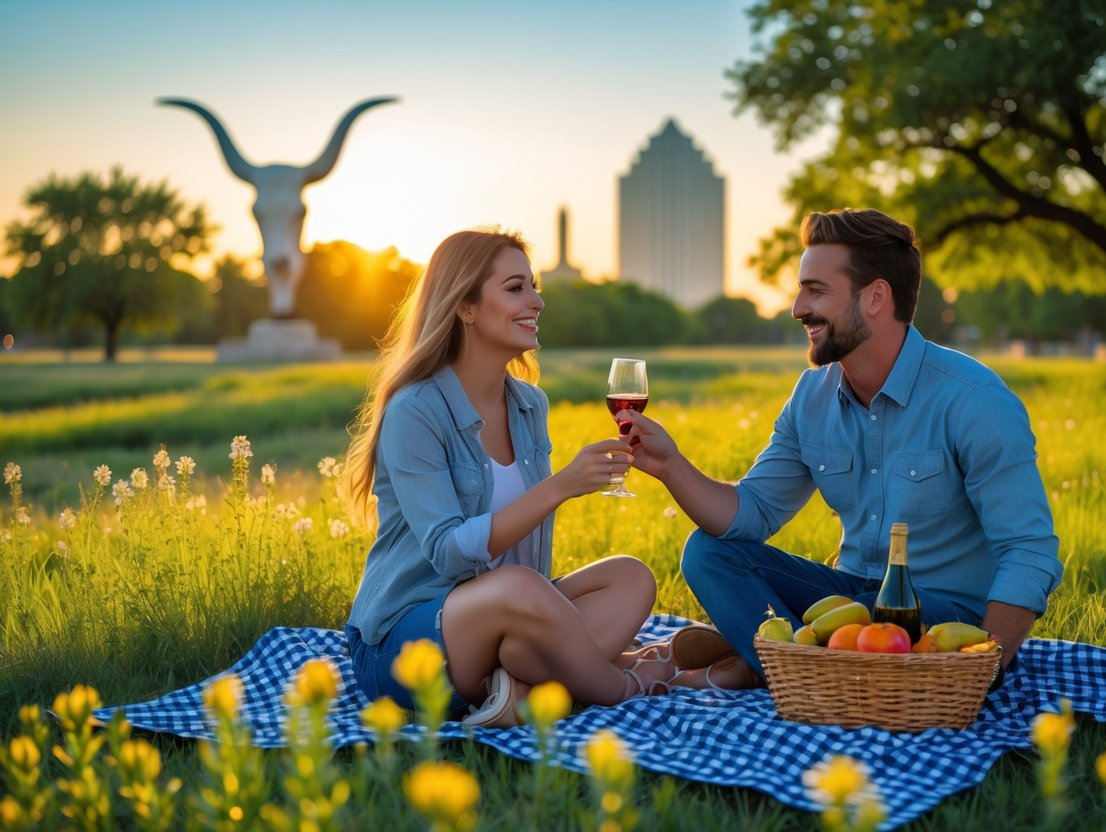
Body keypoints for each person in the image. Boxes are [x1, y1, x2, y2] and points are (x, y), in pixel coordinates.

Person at [624, 208, 1063, 691]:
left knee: (880, 627)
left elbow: (1028, 550)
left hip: (938, 615)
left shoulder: (975, 401)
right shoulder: (810, 396)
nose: (796, 308)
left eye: (816, 290)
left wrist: (983, 668)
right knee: (709, 553)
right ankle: (795, 666)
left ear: (875, 297)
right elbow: (750, 513)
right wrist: (670, 465)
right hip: (847, 599)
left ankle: (766, 659)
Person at [343, 228, 676, 727]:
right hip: (404, 643)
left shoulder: (528, 404)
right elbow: (449, 552)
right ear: (467, 307)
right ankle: (625, 682)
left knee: (630, 576)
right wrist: (560, 486)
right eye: (516, 288)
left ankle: (518, 684)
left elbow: (527, 573)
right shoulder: (415, 410)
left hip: (507, 618)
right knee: (520, 588)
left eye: (534, 286)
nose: (537, 301)